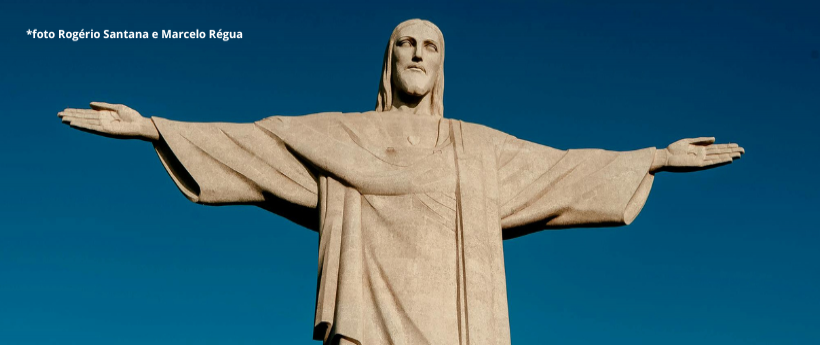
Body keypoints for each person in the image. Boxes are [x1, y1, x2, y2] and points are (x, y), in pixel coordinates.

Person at [58, 19, 744, 345]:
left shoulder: (474, 148)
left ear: (442, 65)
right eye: (405, 44)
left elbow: (560, 168)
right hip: (366, 328)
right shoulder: (340, 136)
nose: (417, 54)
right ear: (389, 61)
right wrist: (154, 127)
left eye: (430, 46)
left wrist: (651, 157)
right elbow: (257, 143)